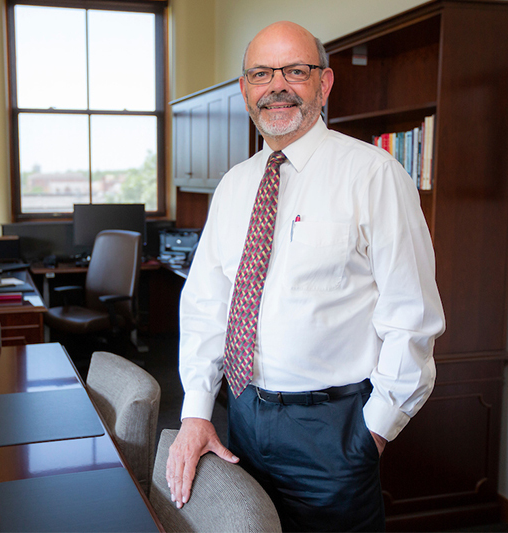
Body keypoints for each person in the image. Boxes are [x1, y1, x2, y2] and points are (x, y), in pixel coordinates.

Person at [165, 20, 446, 532]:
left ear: (325, 83)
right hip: (244, 415)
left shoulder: (374, 175)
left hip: (334, 429)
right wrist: (197, 412)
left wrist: (373, 432)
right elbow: (208, 305)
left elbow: (412, 316)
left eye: (295, 71)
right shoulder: (233, 186)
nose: (277, 86)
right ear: (246, 89)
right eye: (260, 74)